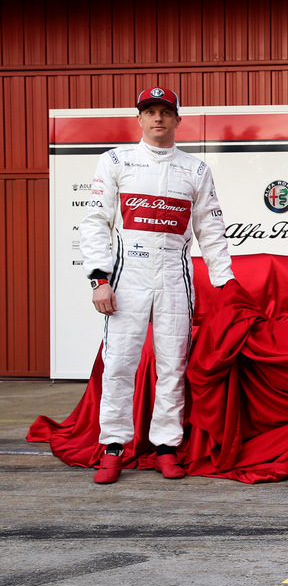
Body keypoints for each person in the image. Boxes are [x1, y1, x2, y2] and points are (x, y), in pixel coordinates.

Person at [80, 86, 235, 484]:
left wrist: (225, 281)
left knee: (172, 365)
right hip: (127, 275)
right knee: (118, 365)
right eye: (149, 111)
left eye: (165, 112)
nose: (158, 119)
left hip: (173, 277)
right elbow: (96, 221)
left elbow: (211, 230)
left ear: (177, 119)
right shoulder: (115, 160)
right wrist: (99, 279)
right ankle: (113, 447)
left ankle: (167, 446)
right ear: (139, 119)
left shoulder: (196, 169)